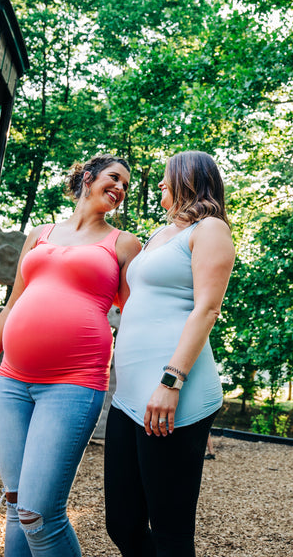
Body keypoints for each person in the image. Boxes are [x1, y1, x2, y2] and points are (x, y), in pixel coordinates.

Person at [0, 154, 141, 557]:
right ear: (88, 176)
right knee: (14, 505)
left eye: (126, 186)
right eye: (114, 178)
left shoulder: (122, 243)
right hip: (12, 381)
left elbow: (134, 319)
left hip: (73, 384)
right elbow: (12, 306)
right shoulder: (40, 234)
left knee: (38, 512)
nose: (120, 189)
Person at [104, 150, 235, 556]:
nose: (159, 184)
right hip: (128, 398)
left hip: (174, 391)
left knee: (170, 530)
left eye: (166, 177)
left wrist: (170, 381)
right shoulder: (161, 236)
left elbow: (207, 309)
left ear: (188, 179)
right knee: (121, 524)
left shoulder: (210, 229)